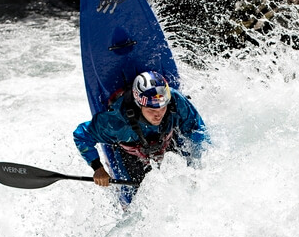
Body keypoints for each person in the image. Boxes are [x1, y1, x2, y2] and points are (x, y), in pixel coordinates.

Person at [73, 71, 209, 194]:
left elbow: (197, 128)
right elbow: (81, 135)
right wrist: (98, 168)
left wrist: (197, 163)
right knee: (140, 195)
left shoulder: (175, 101)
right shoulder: (116, 123)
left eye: (162, 108)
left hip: (169, 142)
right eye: (151, 110)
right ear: (139, 105)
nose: (158, 115)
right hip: (132, 156)